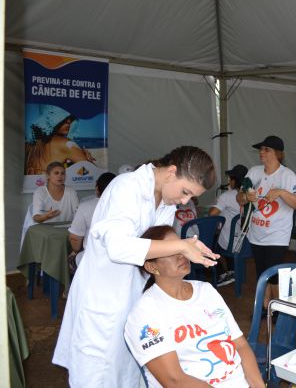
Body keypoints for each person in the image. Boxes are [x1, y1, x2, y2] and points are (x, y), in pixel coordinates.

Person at [53, 146, 218, 387]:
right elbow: (119, 247)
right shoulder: (126, 187)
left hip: (135, 296)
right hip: (103, 298)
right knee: (97, 374)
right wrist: (181, 246)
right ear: (171, 171)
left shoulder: (166, 203)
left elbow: (156, 250)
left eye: (190, 197)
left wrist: (186, 249)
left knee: (129, 373)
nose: (185, 201)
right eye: (185, 192)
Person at [125, 225, 263, 387]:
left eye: (183, 247)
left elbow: (240, 344)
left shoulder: (206, 291)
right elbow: (174, 380)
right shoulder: (146, 312)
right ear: (151, 267)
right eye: (172, 251)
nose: (182, 255)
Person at [237, 136, 296, 307]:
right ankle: (266, 307)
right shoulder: (254, 172)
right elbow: (239, 198)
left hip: (277, 235)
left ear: (278, 154)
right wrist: (246, 197)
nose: (262, 152)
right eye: (261, 149)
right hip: (256, 233)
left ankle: (279, 310)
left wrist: (281, 192)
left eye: (267, 149)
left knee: (274, 276)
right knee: (262, 274)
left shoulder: (287, 175)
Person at [25, 105, 95, 175]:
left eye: (70, 118)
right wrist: (88, 161)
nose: (69, 121)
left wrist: (71, 164)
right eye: (63, 118)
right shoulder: (66, 144)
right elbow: (91, 174)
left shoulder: (31, 143)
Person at [209, 164, 249, 286]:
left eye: (230, 179)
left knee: (208, 242)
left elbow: (212, 214)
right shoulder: (252, 196)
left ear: (234, 181)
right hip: (247, 242)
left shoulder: (227, 196)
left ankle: (221, 274)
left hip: (231, 243)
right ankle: (233, 270)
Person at [68, 172, 116, 269]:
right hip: (120, 260)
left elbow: (75, 238)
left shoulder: (85, 207)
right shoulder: (129, 207)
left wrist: (75, 251)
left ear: (97, 188)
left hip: (92, 260)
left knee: (71, 259)